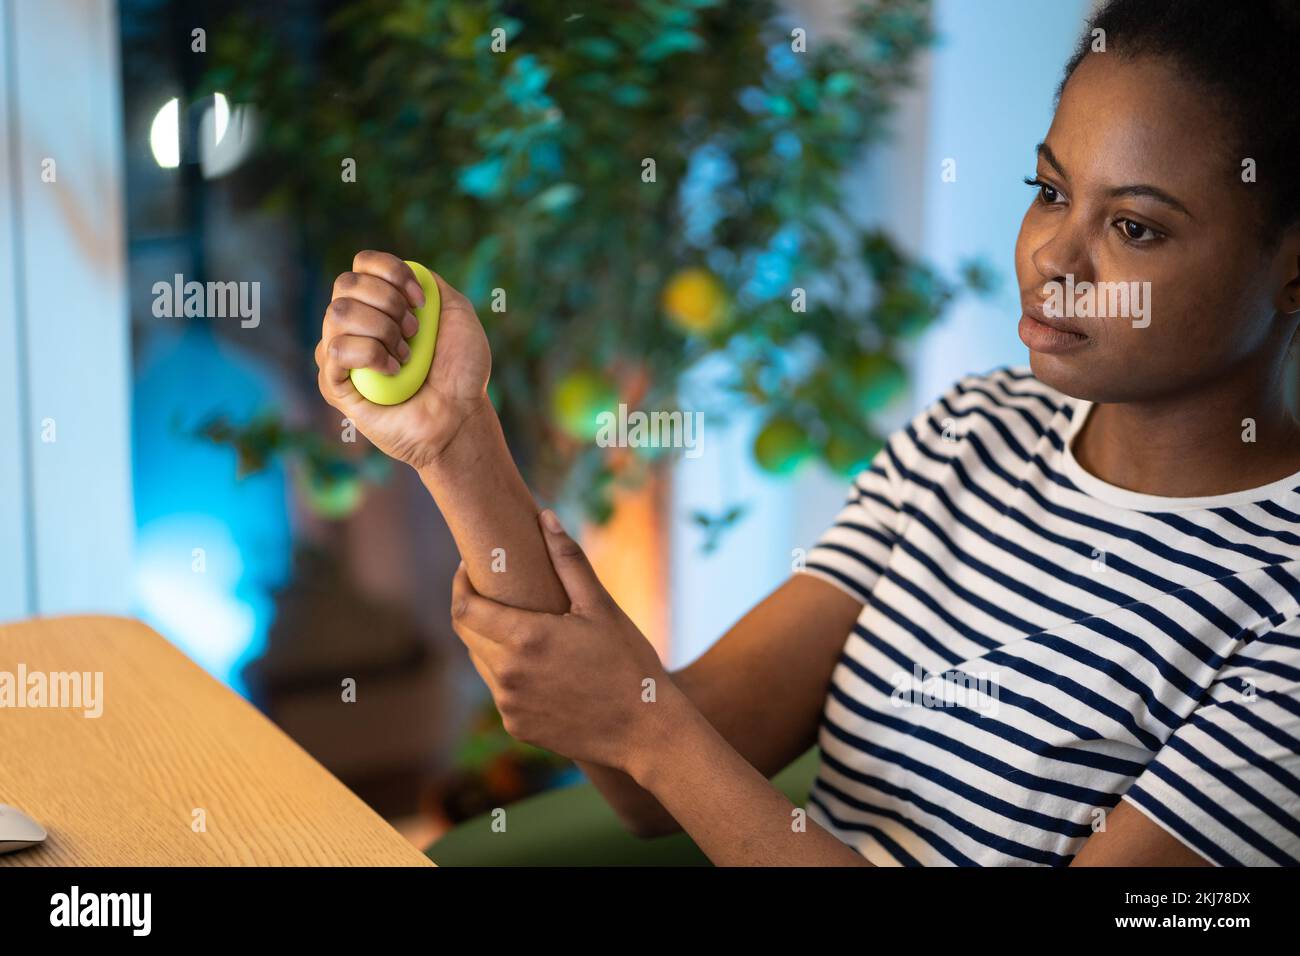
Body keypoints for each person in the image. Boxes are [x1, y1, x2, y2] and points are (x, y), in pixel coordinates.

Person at [314, 0, 1300, 865]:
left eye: (1134, 227)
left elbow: (657, 743)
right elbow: (645, 778)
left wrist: (649, 731)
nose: (1052, 254)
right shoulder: (977, 431)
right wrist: (454, 439)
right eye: (1048, 190)